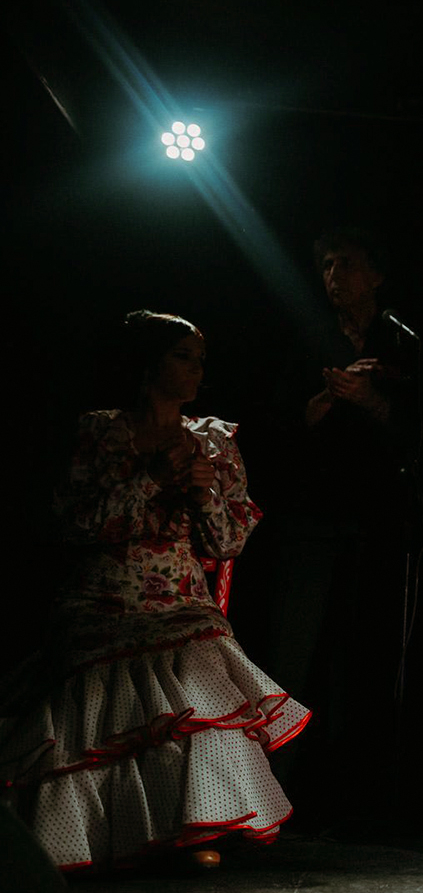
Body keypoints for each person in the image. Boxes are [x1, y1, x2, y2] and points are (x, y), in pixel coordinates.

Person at [0, 311, 308, 871]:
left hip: (178, 601)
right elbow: (76, 526)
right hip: (102, 599)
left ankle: (190, 826)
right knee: (99, 683)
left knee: (198, 658)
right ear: (149, 364)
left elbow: (229, 541)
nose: (196, 372)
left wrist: (203, 493)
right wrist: (150, 481)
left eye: (200, 361)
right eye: (182, 357)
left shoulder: (213, 440)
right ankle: (95, 832)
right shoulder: (100, 433)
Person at [261, 229, 420, 827]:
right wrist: (320, 406)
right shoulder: (306, 337)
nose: (333, 276)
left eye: (345, 264)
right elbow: (272, 427)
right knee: (292, 661)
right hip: (310, 520)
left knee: (364, 663)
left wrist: (374, 401)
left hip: (379, 524)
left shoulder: (401, 340)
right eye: (326, 265)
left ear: (375, 275)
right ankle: (276, 798)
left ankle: (356, 802)